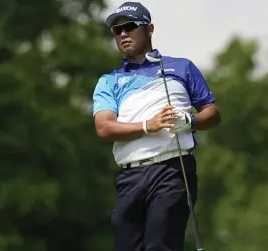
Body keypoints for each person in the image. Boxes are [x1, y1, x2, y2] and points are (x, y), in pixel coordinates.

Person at [92, 2, 221, 251]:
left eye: (130, 27)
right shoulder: (109, 81)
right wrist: (148, 126)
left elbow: (213, 113)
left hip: (173, 170)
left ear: (149, 29)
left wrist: (190, 121)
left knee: (159, 245)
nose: (123, 34)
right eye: (117, 31)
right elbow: (104, 128)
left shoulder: (181, 68)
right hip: (130, 177)